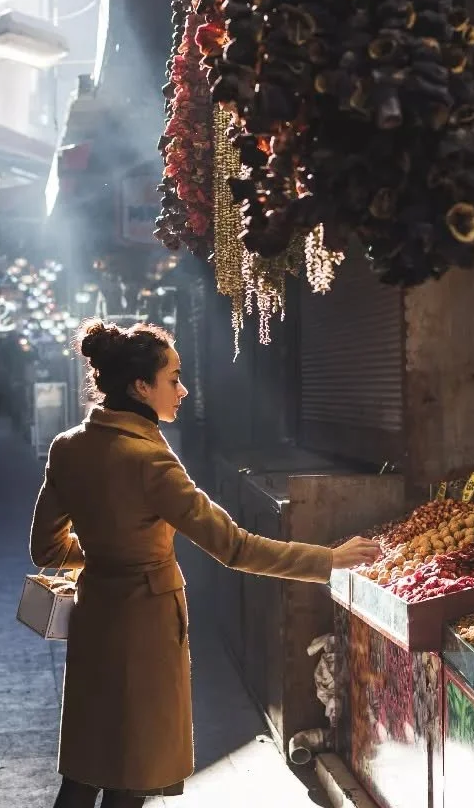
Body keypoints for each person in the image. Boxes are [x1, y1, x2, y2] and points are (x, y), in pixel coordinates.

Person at [31, 319, 380, 808]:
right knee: (131, 773)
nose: (183, 389)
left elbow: (46, 549)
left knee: (86, 768)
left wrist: (109, 555)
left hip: (94, 619)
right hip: (146, 627)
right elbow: (234, 547)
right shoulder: (152, 462)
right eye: (173, 378)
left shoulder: (68, 447)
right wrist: (327, 560)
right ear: (140, 386)